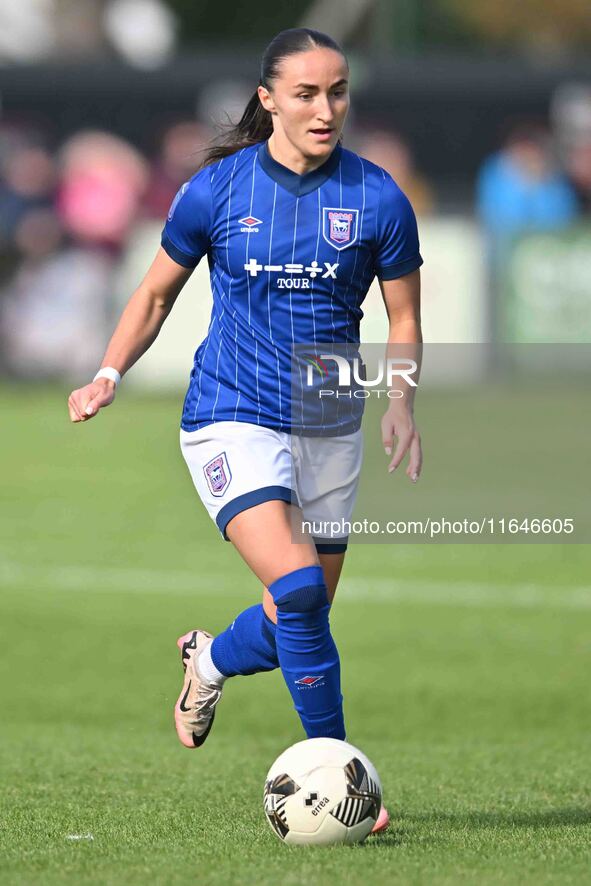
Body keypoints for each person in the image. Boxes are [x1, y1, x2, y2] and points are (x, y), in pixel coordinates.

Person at [68, 28, 423, 834]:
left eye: (336, 91)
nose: (324, 108)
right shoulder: (218, 190)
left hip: (329, 418)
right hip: (230, 414)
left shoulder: (375, 197)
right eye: (305, 92)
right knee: (298, 593)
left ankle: (211, 660)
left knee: (299, 612)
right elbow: (156, 295)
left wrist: (400, 400)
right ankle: (338, 780)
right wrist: (108, 373)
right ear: (267, 99)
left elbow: (403, 316)